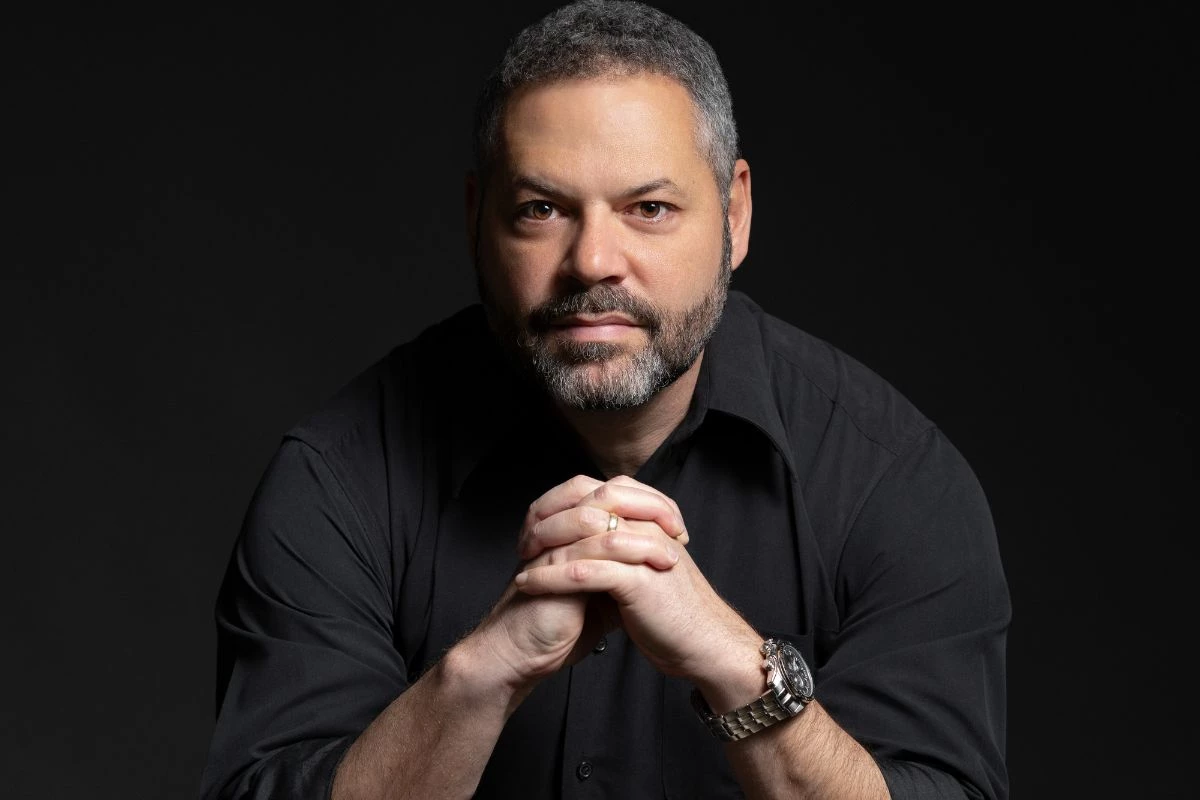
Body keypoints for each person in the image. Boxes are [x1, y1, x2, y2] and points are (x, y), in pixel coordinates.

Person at [199, 1, 1010, 798]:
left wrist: (740, 670)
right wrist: (482, 673)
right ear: (478, 220)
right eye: (541, 210)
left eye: (648, 209)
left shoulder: (892, 481)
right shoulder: (339, 477)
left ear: (734, 214)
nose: (592, 261)